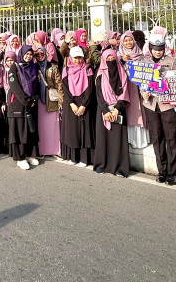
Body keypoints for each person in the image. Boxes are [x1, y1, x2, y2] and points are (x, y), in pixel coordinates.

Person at [141, 33, 176, 185]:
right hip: (151, 104)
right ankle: (162, 170)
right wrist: (144, 93)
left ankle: (173, 172)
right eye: (155, 49)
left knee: (172, 138)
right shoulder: (144, 62)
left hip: (168, 105)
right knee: (157, 138)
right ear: (150, 48)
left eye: (160, 49)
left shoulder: (172, 62)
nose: (158, 52)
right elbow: (140, 81)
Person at [93, 49, 130, 177]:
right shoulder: (100, 74)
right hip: (103, 110)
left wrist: (117, 108)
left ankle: (119, 168)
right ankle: (101, 165)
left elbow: (124, 92)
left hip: (118, 110)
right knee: (103, 139)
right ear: (103, 60)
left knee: (118, 140)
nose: (110, 62)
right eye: (107, 60)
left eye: (112, 59)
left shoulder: (122, 73)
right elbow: (98, 95)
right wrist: (105, 111)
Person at [6, 45, 40, 170]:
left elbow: (37, 85)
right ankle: (19, 158)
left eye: (31, 54)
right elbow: (15, 87)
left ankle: (30, 155)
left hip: (30, 103)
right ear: (21, 54)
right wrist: (26, 101)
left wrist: (34, 98)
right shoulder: (14, 68)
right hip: (17, 104)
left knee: (30, 130)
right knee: (19, 131)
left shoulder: (33, 67)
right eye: (27, 54)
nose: (29, 56)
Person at [61, 46, 95, 166]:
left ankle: (84, 159)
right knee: (72, 130)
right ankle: (73, 157)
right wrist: (71, 103)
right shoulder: (66, 70)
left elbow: (90, 88)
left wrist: (84, 105)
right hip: (71, 104)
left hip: (84, 102)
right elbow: (64, 88)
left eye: (80, 57)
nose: (78, 60)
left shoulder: (87, 70)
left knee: (84, 130)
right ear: (71, 57)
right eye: (75, 58)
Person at [118, 31, 150, 150]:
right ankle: (131, 140)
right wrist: (122, 60)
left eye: (130, 40)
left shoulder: (140, 54)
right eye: (125, 41)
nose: (128, 43)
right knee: (131, 112)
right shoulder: (119, 55)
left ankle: (142, 139)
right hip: (127, 88)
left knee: (142, 111)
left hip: (140, 87)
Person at [35, 46, 61, 158]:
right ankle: (42, 150)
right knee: (42, 128)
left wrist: (61, 100)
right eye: (38, 54)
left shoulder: (53, 67)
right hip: (39, 101)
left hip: (52, 100)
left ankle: (55, 150)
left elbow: (59, 84)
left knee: (53, 127)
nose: (40, 56)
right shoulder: (33, 67)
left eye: (42, 54)